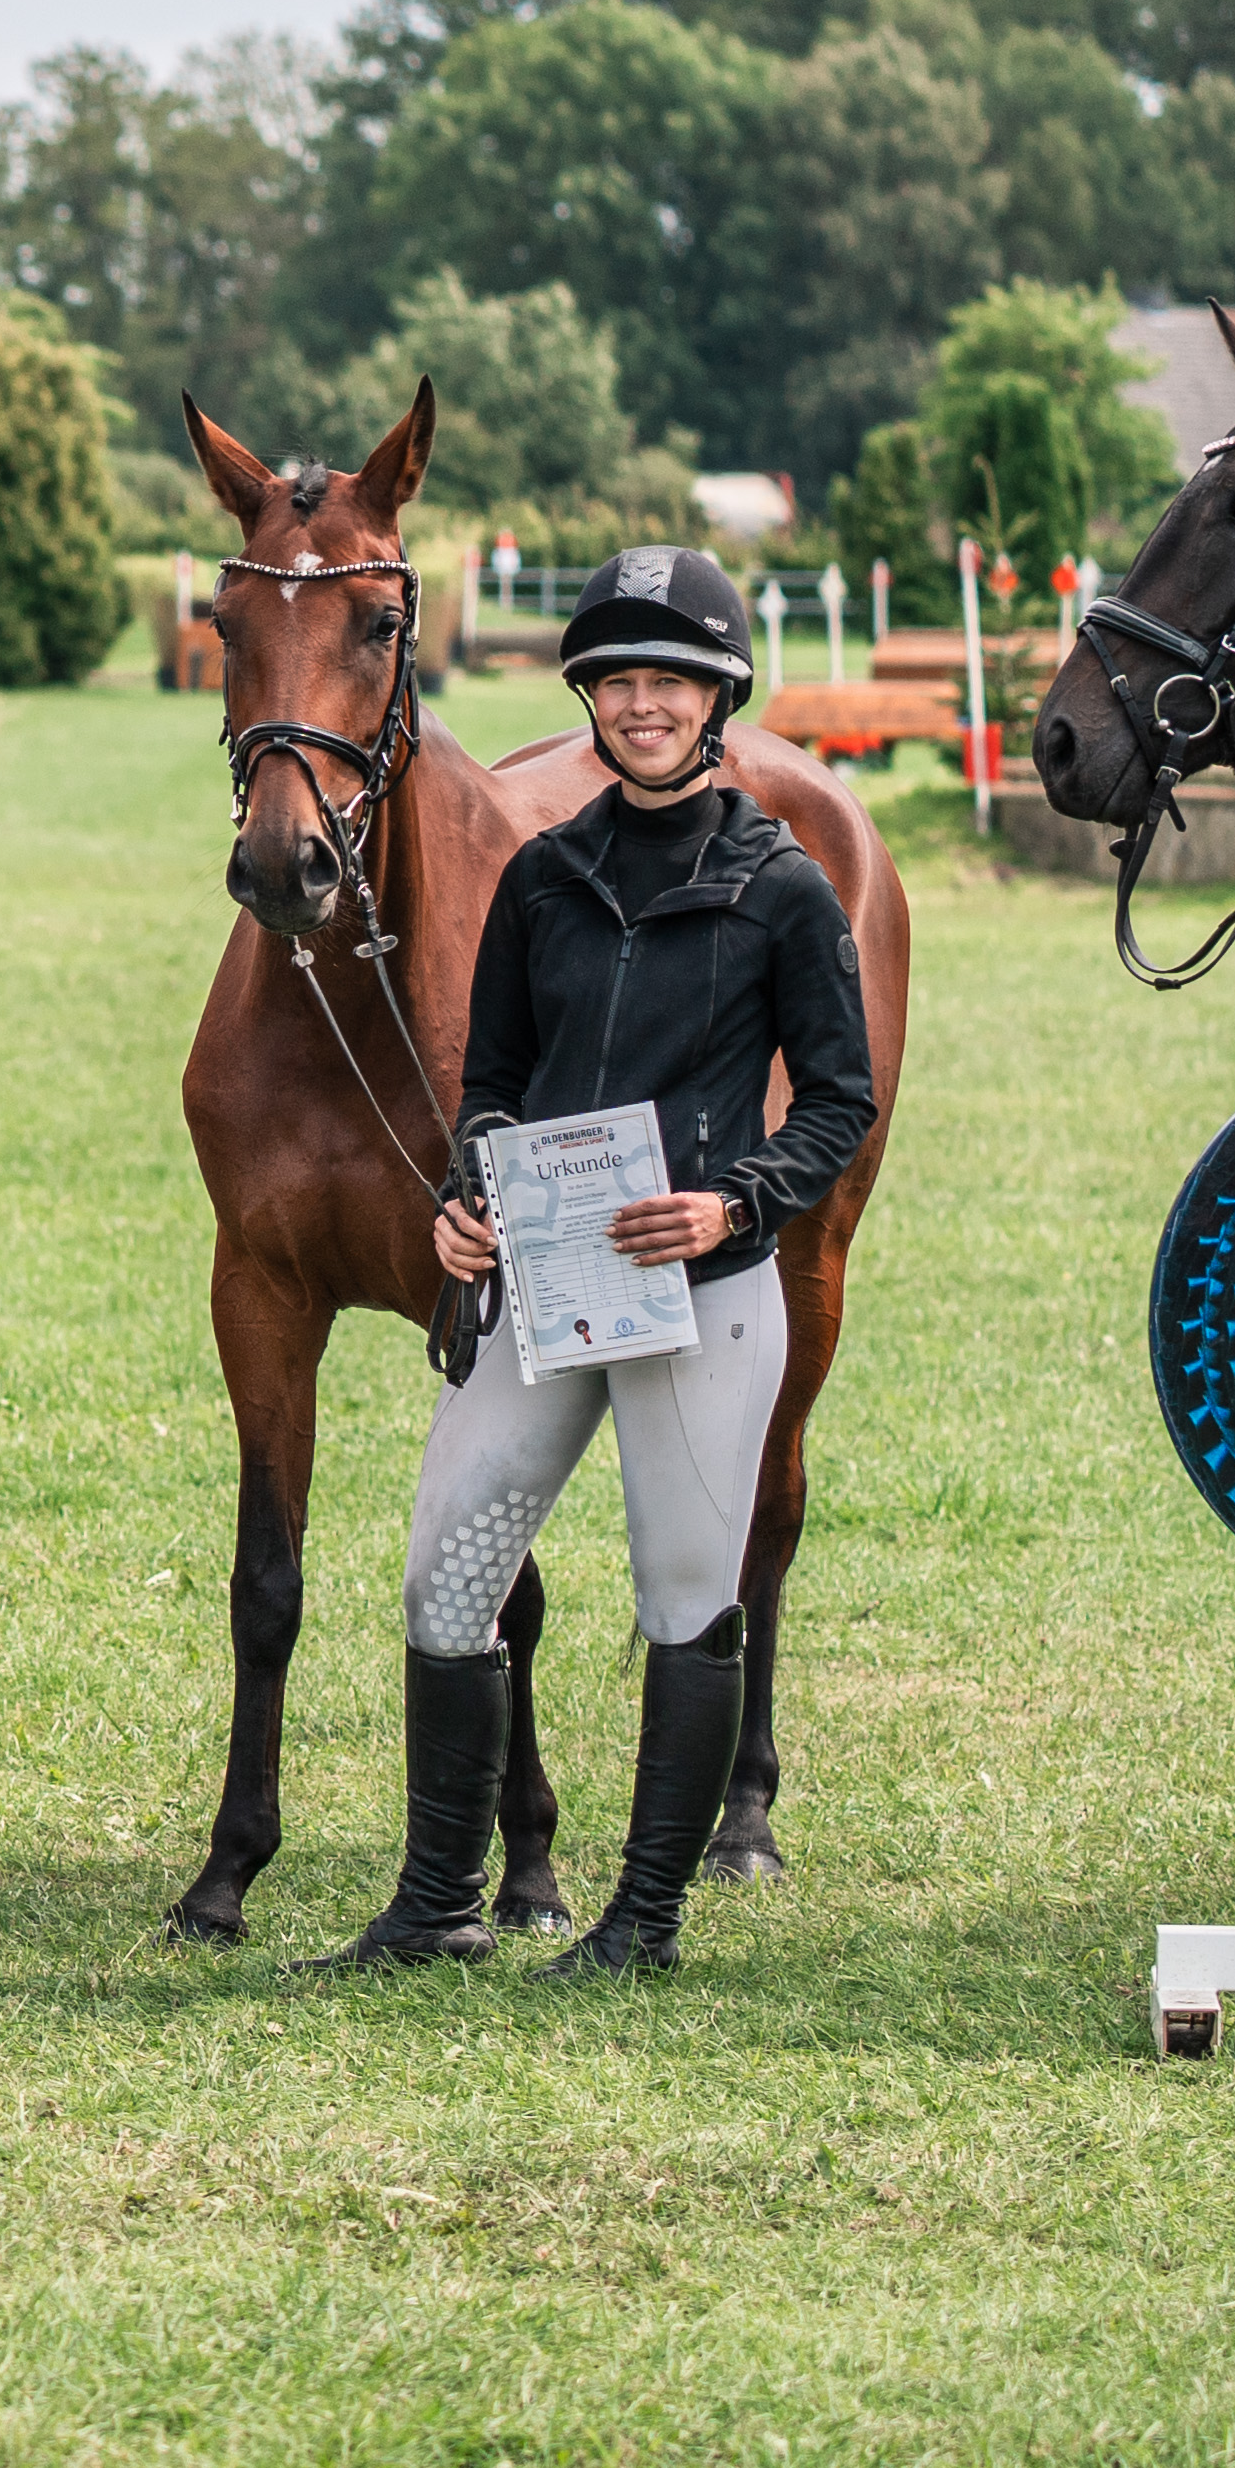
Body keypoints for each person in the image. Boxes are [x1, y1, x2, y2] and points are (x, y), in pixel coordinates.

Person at [349, 547, 879, 1978]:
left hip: (703, 1292)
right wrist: (469, 1197)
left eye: (673, 680)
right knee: (445, 1574)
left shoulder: (782, 888)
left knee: (683, 1590)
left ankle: (642, 1920)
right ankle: (439, 1900)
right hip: (548, 1280)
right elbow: (500, 1079)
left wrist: (734, 1204)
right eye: (620, 680)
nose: (644, 704)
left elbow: (841, 1099)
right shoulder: (544, 875)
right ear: (589, 694)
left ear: (717, 698)